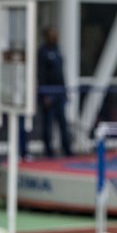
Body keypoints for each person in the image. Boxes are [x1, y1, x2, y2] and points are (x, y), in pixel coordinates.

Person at [37, 25, 72, 156]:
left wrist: (64, 90)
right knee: (48, 124)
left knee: (63, 123)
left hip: (59, 92)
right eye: (53, 34)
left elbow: (61, 73)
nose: (56, 37)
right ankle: (48, 151)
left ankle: (67, 148)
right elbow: (41, 74)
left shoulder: (58, 50)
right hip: (49, 92)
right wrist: (44, 94)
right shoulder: (43, 51)